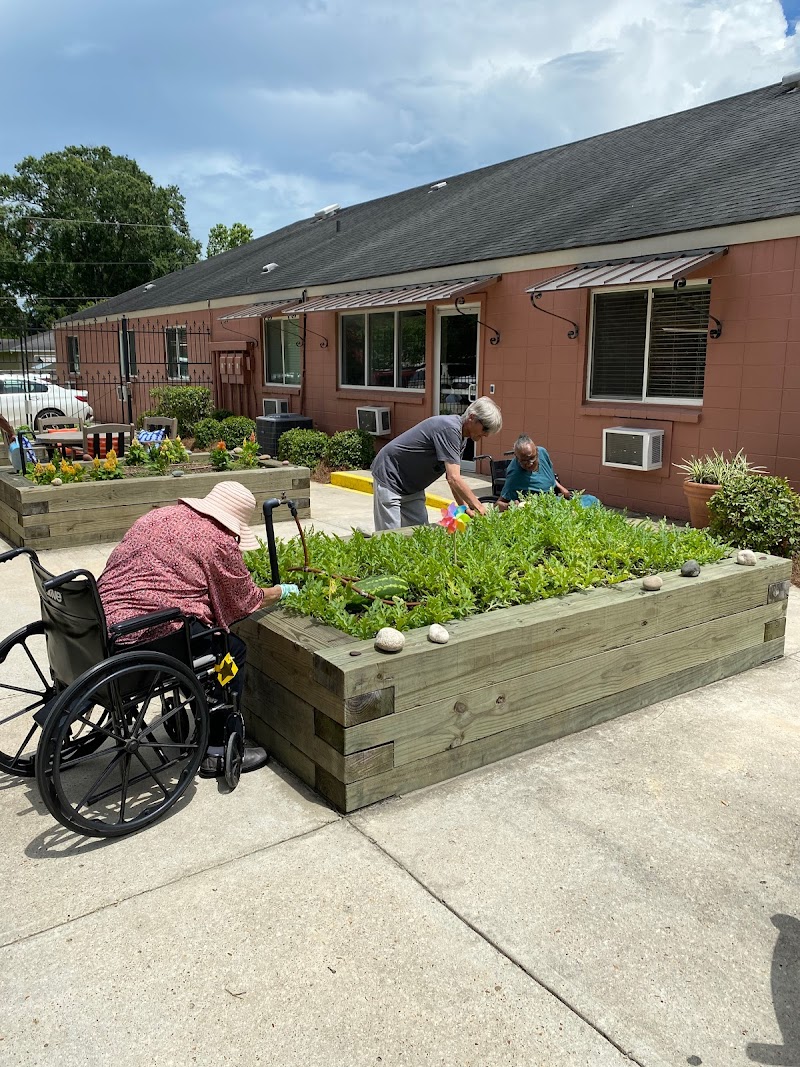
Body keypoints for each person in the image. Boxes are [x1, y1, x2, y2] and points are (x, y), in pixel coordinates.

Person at [97, 481, 298, 775]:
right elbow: (246, 600)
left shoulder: (159, 516)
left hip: (101, 622)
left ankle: (191, 703)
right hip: (142, 637)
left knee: (195, 629)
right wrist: (281, 591)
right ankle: (216, 747)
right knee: (231, 651)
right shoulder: (218, 541)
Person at [370, 397, 503, 531]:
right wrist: (478, 506)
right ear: (472, 417)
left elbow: (451, 479)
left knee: (420, 534)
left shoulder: (461, 438)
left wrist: (464, 508)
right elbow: (454, 478)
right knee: (389, 536)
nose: (486, 434)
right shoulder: (449, 429)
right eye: (485, 428)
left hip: (412, 486)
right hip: (390, 475)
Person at [496, 434, 600, 511]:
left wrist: (560, 487)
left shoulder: (542, 453)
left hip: (554, 500)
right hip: (540, 507)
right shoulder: (515, 474)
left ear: (536, 451)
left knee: (592, 500)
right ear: (516, 457)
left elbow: (549, 475)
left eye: (532, 458)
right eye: (524, 460)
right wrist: (511, 506)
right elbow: (498, 504)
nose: (529, 463)